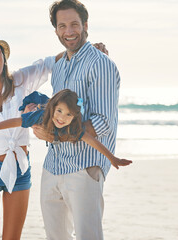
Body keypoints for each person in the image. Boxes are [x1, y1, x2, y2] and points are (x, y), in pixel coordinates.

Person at [0, 30, 108, 239]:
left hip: (20, 168)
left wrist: (87, 51)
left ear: (3, 56)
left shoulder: (20, 80)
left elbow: (48, 64)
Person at [32, 0, 122, 239]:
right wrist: (40, 123)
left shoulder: (101, 64)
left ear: (85, 25)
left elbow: (103, 122)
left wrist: (55, 134)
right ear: (56, 30)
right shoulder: (59, 67)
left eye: (74, 24)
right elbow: (60, 113)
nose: (69, 31)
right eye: (62, 26)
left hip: (84, 167)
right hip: (53, 165)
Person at [0, 89, 132, 169]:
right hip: (41, 104)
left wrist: (112, 158)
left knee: (69, 108)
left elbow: (92, 141)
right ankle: (45, 104)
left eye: (68, 115)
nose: (62, 118)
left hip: (54, 108)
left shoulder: (73, 128)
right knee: (39, 104)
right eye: (60, 111)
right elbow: (15, 121)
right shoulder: (40, 116)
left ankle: (61, 107)